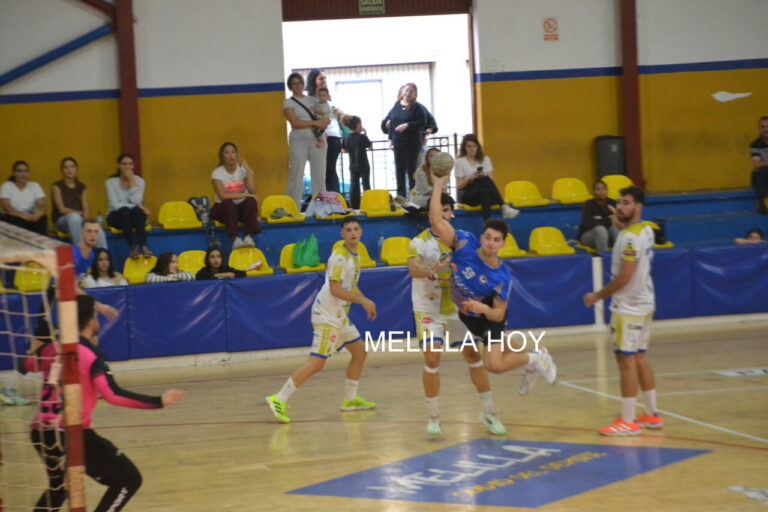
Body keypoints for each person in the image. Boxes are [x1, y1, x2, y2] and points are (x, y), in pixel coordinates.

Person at [24, 294, 185, 512]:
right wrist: (158, 402)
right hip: (71, 432)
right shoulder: (91, 355)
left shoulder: (50, 350)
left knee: (61, 486)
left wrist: (37, 345)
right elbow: (112, 395)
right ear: (91, 321)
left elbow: (24, 366)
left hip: (40, 432)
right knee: (128, 480)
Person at [428, 166, 557, 396]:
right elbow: (436, 221)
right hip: (467, 315)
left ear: (502, 245)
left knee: (494, 364)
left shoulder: (502, 276)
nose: (491, 243)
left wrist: (483, 308)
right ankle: (534, 362)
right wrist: (438, 186)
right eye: (488, 237)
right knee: (505, 347)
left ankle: (535, 358)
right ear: (481, 237)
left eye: (496, 240)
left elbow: (498, 315)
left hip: (487, 315)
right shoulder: (463, 244)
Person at [410, 192, 508, 436]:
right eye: (439, 210)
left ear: (451, 212)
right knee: (432, 359)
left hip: (456, 308)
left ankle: (490, 411)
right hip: (428, 307)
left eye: (447, 210)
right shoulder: (418, 243)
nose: (444, 214)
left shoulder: (462, 241)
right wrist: (427, 270)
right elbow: (413, 270)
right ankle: (434, 416)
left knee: (474, 357)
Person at [266, 216, 377, 423]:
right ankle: (278, 398)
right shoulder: (340, 257)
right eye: (348, 230)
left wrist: (364, 300)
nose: (353, 233)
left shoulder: (356, 255)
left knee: (360, 351)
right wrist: (363, 302)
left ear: (361, 232)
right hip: (327, 316)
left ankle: (350, 400)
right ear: (342, 234)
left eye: (356, 229)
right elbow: (336, 289)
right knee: (317, 363)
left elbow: (350, 285)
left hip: (339, 315)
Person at [583, 186, 663, 436]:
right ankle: (651, 414)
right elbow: (632, 239)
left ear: (638, 206)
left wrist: (597, 295)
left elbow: (624, 278)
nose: (620, 207)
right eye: (619, 202)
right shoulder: (645, 230)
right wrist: (619, 224)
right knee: (639, 356)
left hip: (628, 307)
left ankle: (628, 420)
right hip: (645, 302)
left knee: (625, 360)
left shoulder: (629, 238)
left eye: (626, 203)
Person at [283, 72, 330, 205]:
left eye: (299, 83)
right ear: (290, 86)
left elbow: (324, 112)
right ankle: (292, 207)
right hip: (298, 140)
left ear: (303, 84)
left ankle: (321, 207)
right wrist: (315, 123)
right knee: (296, 174)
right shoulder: (288, 103)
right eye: (294, 84)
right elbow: (295, 123)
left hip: (317, 139)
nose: (297, 86)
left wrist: (325, 121)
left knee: (319, 175)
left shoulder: (312, 100)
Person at [454, 134, 519, 220]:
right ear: (464, 148)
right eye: (469, 146)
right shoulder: (459, 162)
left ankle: (487, 223)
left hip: (484, 194)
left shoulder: (486, 159)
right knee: (482, 180)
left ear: (477, 147)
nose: (472, 149)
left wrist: (484, 175)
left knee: (484, 190)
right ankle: (503, 206)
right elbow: (458, 187)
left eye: (474, 146)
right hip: (468, 196)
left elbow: (491, 181)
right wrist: (471, 177)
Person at [210, 142, 262, 250]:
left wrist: (247, 169)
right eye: (227, 153)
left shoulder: (242, 170)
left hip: (239, 209)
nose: (230, 155)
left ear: (237, 155)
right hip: (223, 208)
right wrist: (245, 194)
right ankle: (235, 238)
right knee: (229, 204)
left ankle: (248, 236)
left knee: (250, 202)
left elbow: (252, 189)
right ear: (222, 156)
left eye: (233, 152)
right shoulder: (217, 173)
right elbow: (223, 196)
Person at [382, 83, 429, 198]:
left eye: (411, 91)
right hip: (398, 142)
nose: (408, 93)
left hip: (412, 142)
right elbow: (390, 122)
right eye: (406, 91)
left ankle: (413, 196)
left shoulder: (417, 107)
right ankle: (400, 195)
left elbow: (423, 122)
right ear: (402, 92)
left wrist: (408, 125)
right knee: (399, 170)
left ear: (415, 94)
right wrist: (390, 138)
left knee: (411, 169)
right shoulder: (396, 105)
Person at [52, 156, 107, 248]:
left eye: (72, 167)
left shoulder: (82, 187)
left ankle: (102, 255)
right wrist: (80, 213)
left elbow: (85, 207)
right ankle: (81, 250)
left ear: (76, 169)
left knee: (96, 227)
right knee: (74, 217)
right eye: (66, 167)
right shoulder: (57, 187)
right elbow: (62, 210)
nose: (69, 170)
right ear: (62, 170)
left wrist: (88, 223)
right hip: (62, 221)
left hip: (79, 220)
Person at [105, 154, 152, 260]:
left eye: (130, 164)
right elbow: (114, 204)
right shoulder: (110, 182)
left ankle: (143, 246)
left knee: (137, 212)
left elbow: (136, 201)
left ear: (133, 166)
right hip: (116, 217)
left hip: (134, 217)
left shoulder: (140, 181)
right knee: (126, 210)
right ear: (118, 166)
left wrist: (132, 182)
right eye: (124, 164)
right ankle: (132, 247)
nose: (127, 167)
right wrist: (138, 207)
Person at [306, 69, 344, 193]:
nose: (324, 81)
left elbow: (333, 115)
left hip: (333, 136)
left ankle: (334, 201)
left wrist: (339, 113)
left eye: (325, 78)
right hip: (320, 136)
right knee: (322, 171)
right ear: (314, 81)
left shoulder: (328, 97)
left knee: (330, 170)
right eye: (321, 78)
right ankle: (326, 200)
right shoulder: (310, 99)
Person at [0, 160, 47, 235]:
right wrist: (22, 216)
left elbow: (43, 205)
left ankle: (41, 245)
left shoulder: (34, 185)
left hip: (29, 216)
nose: (23, 174)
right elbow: (6, 207)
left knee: (42, 218)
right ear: (14, 173)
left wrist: (38, 214)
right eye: (20, 171)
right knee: (10, 219)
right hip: (13, 216)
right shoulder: (7, 186)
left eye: (26, 171)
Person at [578, 180, 619, 252]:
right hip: (589, 236)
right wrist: (608, 220)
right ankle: (604, 257)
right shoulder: (588, 204)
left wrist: (598, 221)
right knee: (600, 229)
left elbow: (618, 221)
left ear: (607, 191)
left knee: (615, 229)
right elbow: (587, 224)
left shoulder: (612, 203)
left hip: (608, 236)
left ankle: (619, 257)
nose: (601, 191)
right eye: (598, 189)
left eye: (603, 188)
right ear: (593, 192)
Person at [342, 115, 371, 209]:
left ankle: (354, 206)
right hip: (363, 164)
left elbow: (344, 150)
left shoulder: (346, 137)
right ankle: (367, 203)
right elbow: (369, 146)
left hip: (352, 165)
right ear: (358, 125)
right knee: (366, 184)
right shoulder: (362, 137)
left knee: (354, 185)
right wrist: (365, 133)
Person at [750, 116, 768, 215]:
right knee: (759, 172)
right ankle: (761, 203)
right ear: (760, 129)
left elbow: (760, 163)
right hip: (764, 175)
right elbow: (756, 164)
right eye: (763, 127)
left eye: (767, 126)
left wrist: (764, 163)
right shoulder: (755, 144)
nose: (765, 129)